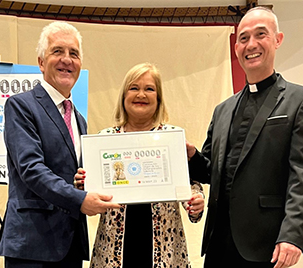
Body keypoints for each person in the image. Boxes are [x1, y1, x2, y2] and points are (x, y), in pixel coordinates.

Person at [186, 7, 303, 268]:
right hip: (217, 243)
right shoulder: (223, 110)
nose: (251, 44)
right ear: (236, 46)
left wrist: (293, 235)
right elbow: (210, 172)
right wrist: (193, 155)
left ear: (278, 39)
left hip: (266, 244)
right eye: (244, 38)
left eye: (261, 34)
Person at [0, 21, 120, 268]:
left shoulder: (79, 119)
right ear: (41, 62)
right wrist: (79, 199)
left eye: (74, 53)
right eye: (58, 51)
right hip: (32, 245)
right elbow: (31, 169)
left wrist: (86, 182)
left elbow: (69, 174)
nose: (67, 59)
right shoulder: (21, 106)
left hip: (71, 243)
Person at [75, 63, 205, 268]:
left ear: (159, 98)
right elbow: (90, 195)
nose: (141, 94)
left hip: (165, 252)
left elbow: (190, 184)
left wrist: (195, 201)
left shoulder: (171, 137)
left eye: (149, 89)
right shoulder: (105, 140)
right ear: (123, 97)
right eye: (134, 88)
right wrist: (82, 186)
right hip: (113, 253)